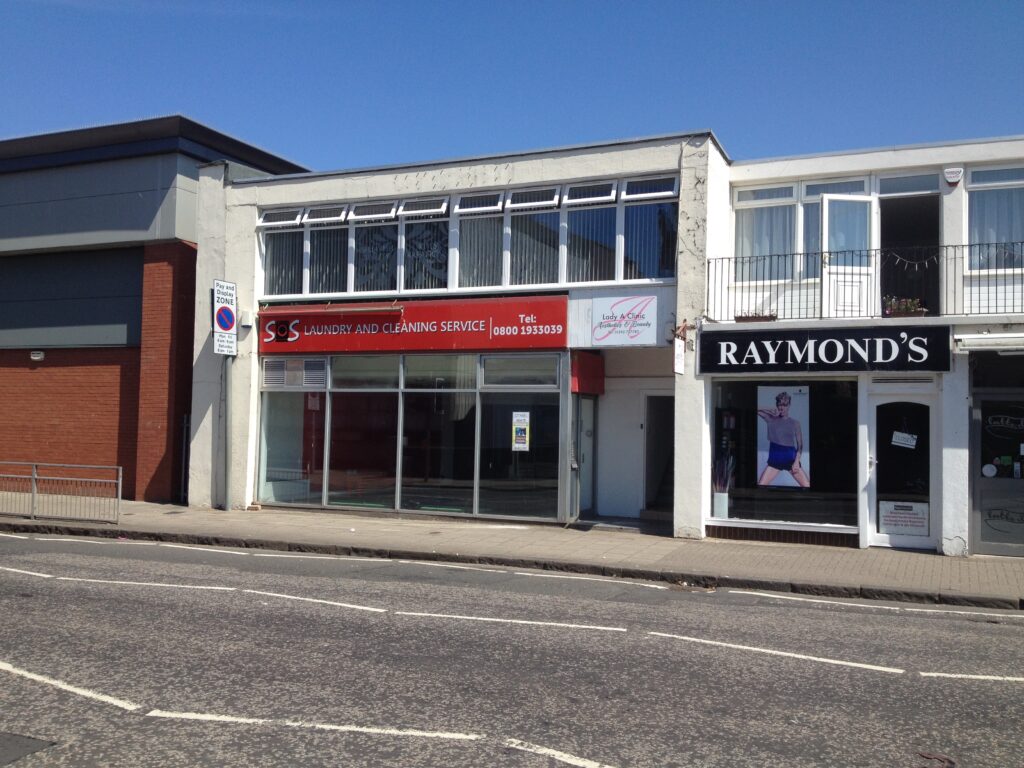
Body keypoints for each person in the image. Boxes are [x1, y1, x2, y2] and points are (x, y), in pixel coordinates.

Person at [757, 392, 809, 487]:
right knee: (761, 486)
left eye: (785, 405)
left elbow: (800, 445)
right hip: (775, 461)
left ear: (789, 405)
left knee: (806, 485)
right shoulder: (770, 419)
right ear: (777, 405)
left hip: (791, 460)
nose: (782, 407)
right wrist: (770, 409)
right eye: (780, 404)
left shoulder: (795, 423)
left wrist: (797, 461)